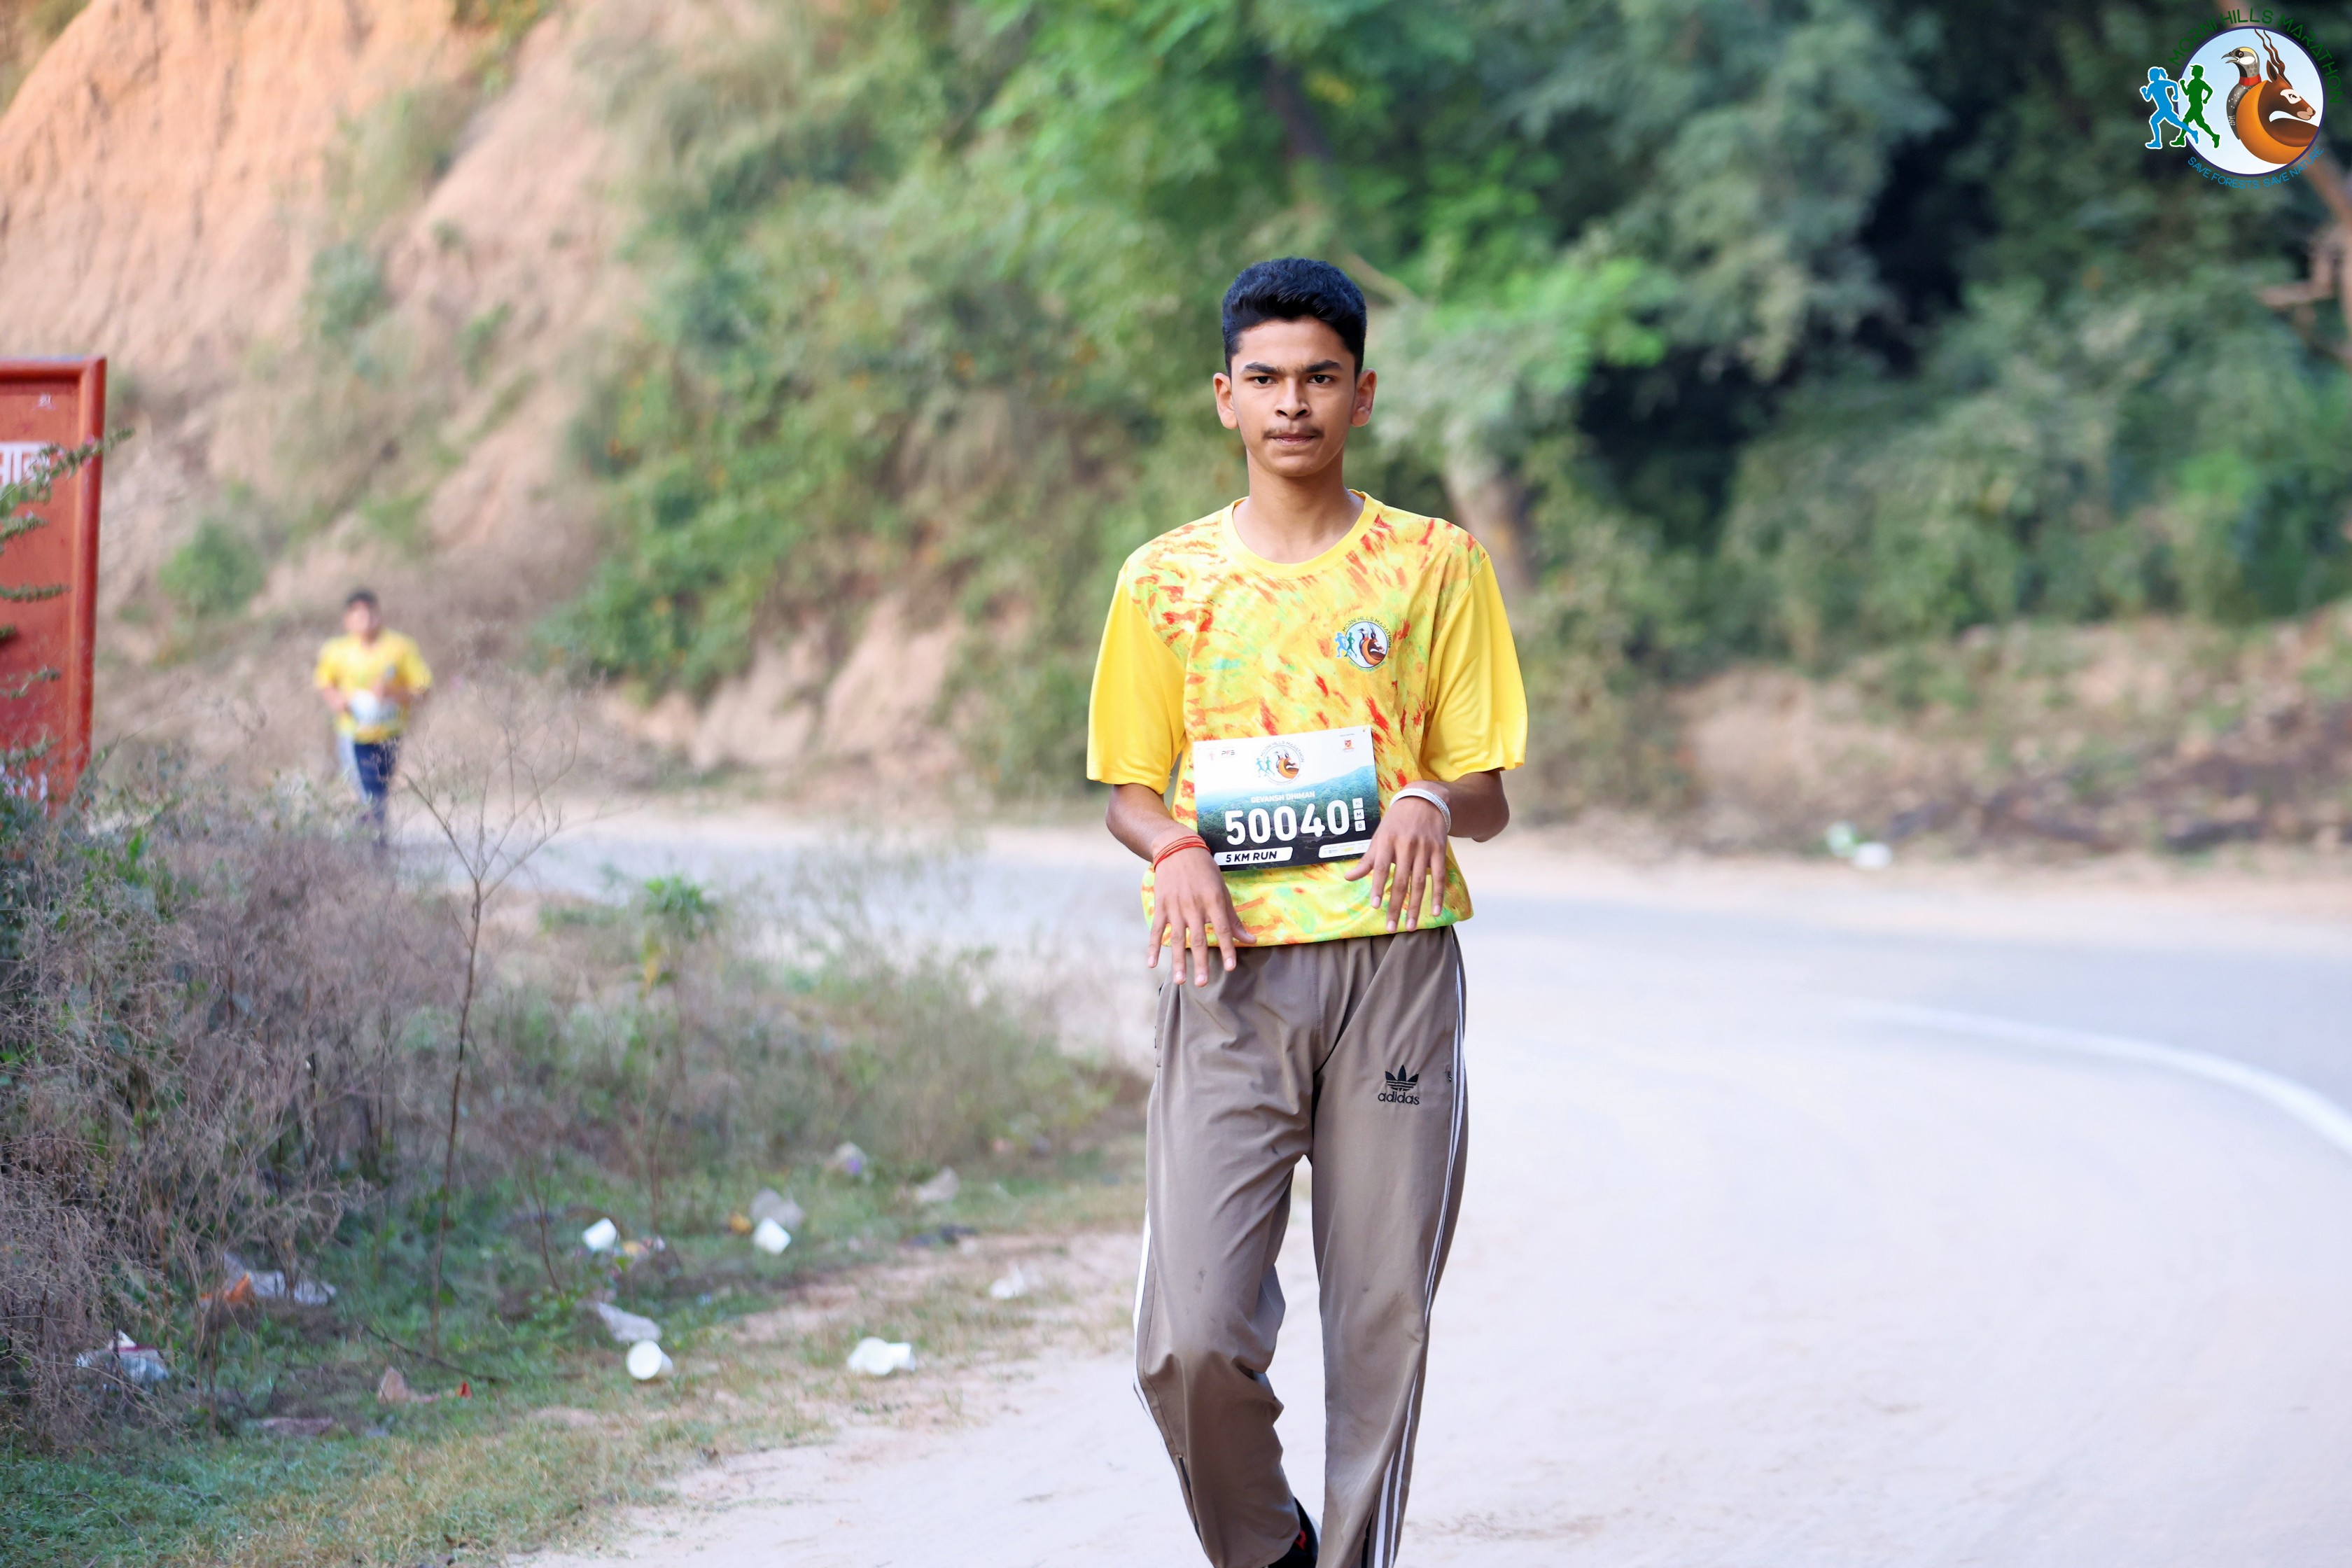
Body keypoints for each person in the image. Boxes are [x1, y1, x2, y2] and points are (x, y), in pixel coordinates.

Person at [1087, 258, 1526, 1568]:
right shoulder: (1164, 582)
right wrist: (1171, 844)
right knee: (1189, 1340)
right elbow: (1129, 791)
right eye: (1267, 379)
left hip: (1394, 969)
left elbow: (1488, 791)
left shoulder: (1434, 565)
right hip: (1227, 976)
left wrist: (1430, 800)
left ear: (1362, 395)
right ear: (1225, 397)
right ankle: (1265, 1546)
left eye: (1320, 378)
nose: (1294, 404)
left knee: (1381, 1320)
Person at [313, 589, 431, 832]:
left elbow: (423, 688)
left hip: (390, 734)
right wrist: (337, 700)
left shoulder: (400, 647)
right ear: (347, 620)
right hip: (355, 734)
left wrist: (393, 693)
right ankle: (376, 841)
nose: (366, 620)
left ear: (380, 614)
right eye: (359, 615)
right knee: (370, 792)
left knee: (380, 790)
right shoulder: (337, 651)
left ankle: (363, 834)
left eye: (370, 614)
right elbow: (325, 682)